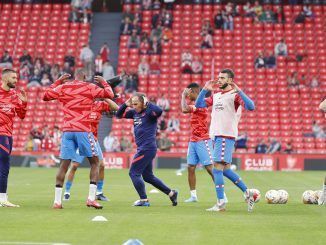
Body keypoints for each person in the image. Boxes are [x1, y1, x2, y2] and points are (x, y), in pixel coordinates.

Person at [43, 69, 114, 209]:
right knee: (95, 163)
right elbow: (109, 95)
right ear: (85, 77)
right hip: (83, 130)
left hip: (67, 131)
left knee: (64, 165)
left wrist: (58, 81)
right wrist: (103, 82)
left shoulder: (63, 87)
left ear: (73, 77)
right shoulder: (90, 87)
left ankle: (57, 202)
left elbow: (45, 96)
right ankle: (91, 199)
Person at [195, 69, 257, 212]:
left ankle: (221, 203)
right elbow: (199, 105)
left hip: (225, 135)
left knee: (217, 169)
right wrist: (204, 89)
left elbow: (251, 107)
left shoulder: (234, 95)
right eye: (218, 77)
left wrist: (239, 91)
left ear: (230, 80)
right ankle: (248, 193)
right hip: (216, 136)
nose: (219, 80)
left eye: (222, 78)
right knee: (226, 170)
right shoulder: (216, 95)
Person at [116, 93, 178, 207]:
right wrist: (125, 104)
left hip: (147, 148)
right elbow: (118, 115)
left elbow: (159, 111)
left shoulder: (149, 113)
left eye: (136, 103)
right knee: (148, 177)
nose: (134, 106)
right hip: (144, 148)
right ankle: (171, 193)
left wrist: (148, 103)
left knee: (133, 173)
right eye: (133, 103)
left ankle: (144, 200)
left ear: (143, 103)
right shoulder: (134, 113)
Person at [64, 99, 119, 202]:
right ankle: (67, 191)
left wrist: (107, 97)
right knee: (74, 166)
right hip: (80, 137)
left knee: (102, 165)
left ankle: (99, 192)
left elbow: (115, 108)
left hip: (93, 139)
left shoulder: (99, 105)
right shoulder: (80, 103)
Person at [181, 83, 227, 203]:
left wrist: (182, 96)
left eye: (188, 92)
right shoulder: (196, 103)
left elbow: (184, 109)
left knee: (210, 168)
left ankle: (223, 195)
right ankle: (193, 196)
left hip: (203, 140)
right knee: (191, 167)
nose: (187, 94)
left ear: (194, 92)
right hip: (193, 140)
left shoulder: (200, 104)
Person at [0, 69, 27, 207]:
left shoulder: (14, 95)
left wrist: (24, 103)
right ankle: (3, 199)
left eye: (16, 78)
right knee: (4, 163)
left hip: (8, 134)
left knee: (4, 165)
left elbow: (21, 116)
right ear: (5, 79)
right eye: (13, 78)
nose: (16, 80)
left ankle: (3, 198)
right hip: (1, 134)